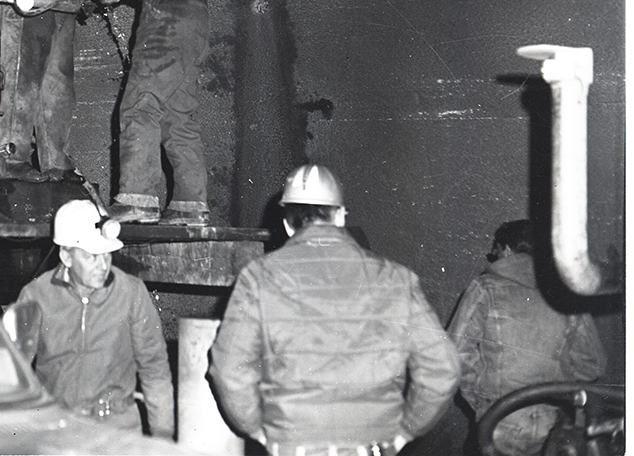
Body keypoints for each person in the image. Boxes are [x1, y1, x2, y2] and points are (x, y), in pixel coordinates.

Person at [209, 164, 460, 455]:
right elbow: (443, 369)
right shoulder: (396, 278)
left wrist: (255, 429)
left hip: (293, 444)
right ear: (340, 216)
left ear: (288, 223)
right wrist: (406, 431)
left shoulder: (258, 276)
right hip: (374, 446)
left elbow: (229, 370)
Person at [94, 0, 212, 225]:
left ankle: (137, 198)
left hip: (168, 25)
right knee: (178, 116)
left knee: (139, 105)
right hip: (193, 28)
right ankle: (191, 206)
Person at [8, 199, 174, 438]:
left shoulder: (131, 292)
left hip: (118, 431)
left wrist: (163, 438)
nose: (103, 265)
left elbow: (155, 368)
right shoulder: (36, 296)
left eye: (107, 255)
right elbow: (14, 371)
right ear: (66, 256)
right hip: (58, 430)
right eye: (91, 257)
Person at [0, 0, 134, 178]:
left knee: (59, 86)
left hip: (62, 8)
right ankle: (11, 155)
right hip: (30, 2)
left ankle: (56, 162)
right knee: (25, 75)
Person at [446, 219, 606, 456]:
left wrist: (483, 399)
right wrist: (555, 384)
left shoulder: (485, 287)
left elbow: (452, 354)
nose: (494, 259)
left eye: (495, 253)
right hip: (554, 425)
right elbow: (593, 364)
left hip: (500, 421)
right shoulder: (565, 295)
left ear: (508, 249)